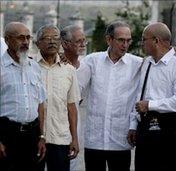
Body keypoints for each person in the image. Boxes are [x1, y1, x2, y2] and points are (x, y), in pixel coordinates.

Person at [77, 21, 142, 171]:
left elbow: (160, 63)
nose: (125, 45)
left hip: (120, 139)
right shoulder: (92, 61)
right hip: (95, 139)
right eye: (121, 40)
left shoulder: (137, 64)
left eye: (128, 40)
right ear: (109, 40)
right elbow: (76, 91)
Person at [134, 22, 176, 171]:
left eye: (144, 39)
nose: (141, 43)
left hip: (168, 134)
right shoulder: (146, 62)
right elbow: (139, 95)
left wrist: (150, 105)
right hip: (145, 130)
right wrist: (133, 126)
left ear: (156, 41)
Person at [0, 22, 46, 171]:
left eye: (28, 37)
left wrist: (41, 136)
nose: (25, 42)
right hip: (7, 135)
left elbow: (40, 104)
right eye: (20, 38)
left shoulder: (35, 67)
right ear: (7, 40)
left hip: (32, 136)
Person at [34, 24, 80, 171]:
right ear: (37, 43)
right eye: (46, 38)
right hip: (33, 138)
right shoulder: (30, 67)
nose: (52, 42)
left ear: (61, 42)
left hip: (60, 138)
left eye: (55, 38)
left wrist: (75, 138)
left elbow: (71, 107)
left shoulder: (69, 70)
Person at [60, 24, 87, 170]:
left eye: (84, 40)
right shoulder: (54, 65)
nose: (83, 44)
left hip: (75, 132)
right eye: (78, 41)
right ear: (64, 44)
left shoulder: (87, 67)